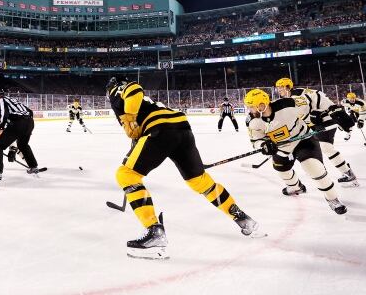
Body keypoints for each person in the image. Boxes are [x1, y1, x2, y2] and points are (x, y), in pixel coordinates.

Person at [107, 77, 264, 260]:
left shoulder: (115, 91)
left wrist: (131, 115)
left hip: (160, 129)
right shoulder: (150, 104)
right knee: (200, 181)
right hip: (181, 129)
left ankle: (154, 233)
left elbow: (134, 89)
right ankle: (243, 219)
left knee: (126, 175)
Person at [243, 88, 348, 214]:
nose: (250, 110)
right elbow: (256, 141)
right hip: (281, 148)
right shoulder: (252, 121)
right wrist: (264, 145)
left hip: (303, 140)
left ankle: (333, 199)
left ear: (262, 105)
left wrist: (334, 109)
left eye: (251, 107)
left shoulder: (287, 104)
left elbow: (314, 97)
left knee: (314, 168)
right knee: (283, 171)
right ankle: (296, 187)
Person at [275, 78, 358, 186]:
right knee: (324, 147)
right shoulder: (297, 93)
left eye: (280, 88)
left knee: (326, 147)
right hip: (323, 119)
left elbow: (302, 116)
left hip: (325, 120)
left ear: (287, 87)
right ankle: (344, 170)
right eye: (277, 88)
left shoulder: (297, 97)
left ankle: (348, 173)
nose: (278, 90)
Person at [0, 87, 41, 185]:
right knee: (22, 145)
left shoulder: (0, 100)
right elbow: (30, 112)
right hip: (29, 123)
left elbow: (4, 114)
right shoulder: (12, 99)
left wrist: (1, 129)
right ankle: (34, 167)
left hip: (19, 123)